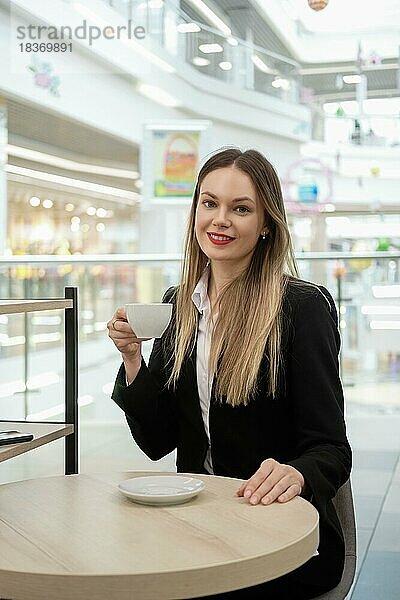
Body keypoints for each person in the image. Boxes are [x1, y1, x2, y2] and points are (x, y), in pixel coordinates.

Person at [108, 148, 352, 599]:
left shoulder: (301, 308)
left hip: (277, 531)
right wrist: (133, 362)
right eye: (209, 203)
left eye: (241, 208)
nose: (220, 219)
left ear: (265, 225)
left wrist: (296, 473)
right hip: (197, 521)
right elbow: (157, 442)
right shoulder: (180, 304)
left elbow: (331, 449)